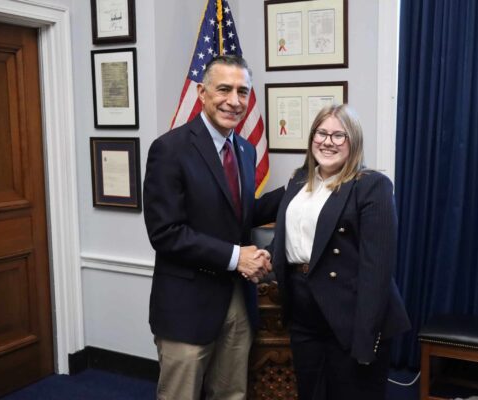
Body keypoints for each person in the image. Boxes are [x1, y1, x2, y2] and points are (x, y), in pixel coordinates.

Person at [143, 55, 284, 400]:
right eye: (224, 89)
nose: (234, 101)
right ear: (201, 92)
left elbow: (240, 215)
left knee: (231, 393)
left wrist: (301, 186)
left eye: (242, 91)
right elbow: (166, 233)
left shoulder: (246, 150)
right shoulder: (169, 149)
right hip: (187, 306)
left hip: (237, 300)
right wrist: (237, 257)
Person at [268, 104, 411, 399]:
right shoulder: (298, 181)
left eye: (338, 135)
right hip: (303, 310)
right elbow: (291, 242)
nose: (327, 142)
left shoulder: (371, 186)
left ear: (353, 142)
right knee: (311, 392)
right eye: (321, 133)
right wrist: (257, 257)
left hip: (351, 315)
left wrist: (365, 339)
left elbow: (377, 270)